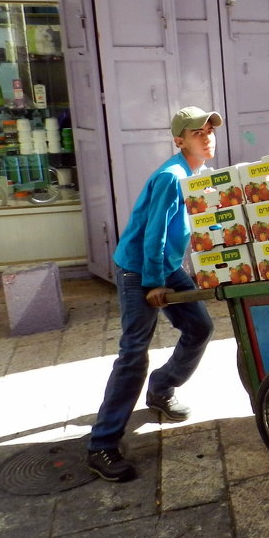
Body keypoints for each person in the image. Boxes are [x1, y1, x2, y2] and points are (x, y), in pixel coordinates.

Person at [86, 106, 223, 482]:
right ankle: (101, 444)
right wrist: (153, 282)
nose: (207, 136)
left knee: (200, 328)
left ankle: (162, 389)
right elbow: (154, 234)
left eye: (210, 130)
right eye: (198, 133)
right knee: (133, 354)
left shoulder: (197, 174)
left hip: (167, 266)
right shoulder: (171, 176)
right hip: (139, 269)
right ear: (180, 140)